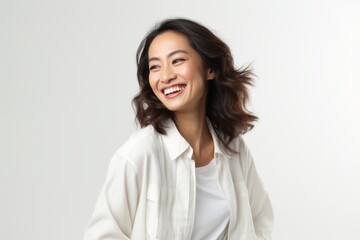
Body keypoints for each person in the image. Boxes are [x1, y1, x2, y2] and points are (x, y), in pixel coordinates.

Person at [84, 18, 274, 240]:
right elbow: (102, 235)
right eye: (155, 66)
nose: (165, 76)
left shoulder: (233, 148)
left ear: (210, 69)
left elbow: (260, 219)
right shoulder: (139, 154)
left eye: (177, 60)